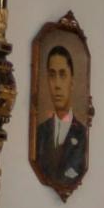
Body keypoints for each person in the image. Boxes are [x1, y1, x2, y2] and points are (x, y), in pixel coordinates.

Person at [33, 45, 88, 188]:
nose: (57, 85)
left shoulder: (83, 134)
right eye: (52, 75)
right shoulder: (40, 133)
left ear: (72, 81)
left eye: (62, 75)